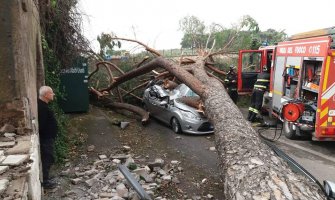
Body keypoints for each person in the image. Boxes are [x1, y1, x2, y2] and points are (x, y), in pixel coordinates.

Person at [38, 86, 58, 189]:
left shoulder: (43, 105)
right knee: (47, 158)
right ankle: (45, 182)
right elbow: (41, 125)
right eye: (51, 93)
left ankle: (46, 178)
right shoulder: (42, 108)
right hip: (45, 139)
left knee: (48, 158)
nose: (53, 94)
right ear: (46, 95)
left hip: (47, 138)